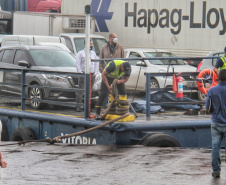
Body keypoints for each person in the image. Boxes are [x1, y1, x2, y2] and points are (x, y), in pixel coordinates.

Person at [206, 69, 226, 178]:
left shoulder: (212, 90)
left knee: (215, 148)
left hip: (216, 123)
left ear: (219, 78)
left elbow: (208, 108)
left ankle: (216, 171)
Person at [76, 40, 99, 112]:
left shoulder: (93, 53)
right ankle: (78, 107)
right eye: (90, 44)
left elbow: (96, 63)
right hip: (83, 74)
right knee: (81, 91)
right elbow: (78, 63)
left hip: (91, 74)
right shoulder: (80, 53)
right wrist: (80, 72)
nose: (91, 46)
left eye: (92, 44)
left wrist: (95, 72)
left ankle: (88, 107)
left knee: (90, 91)